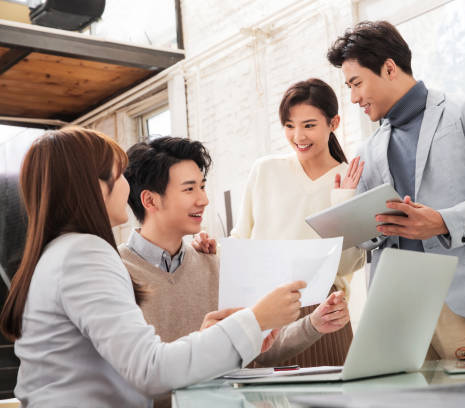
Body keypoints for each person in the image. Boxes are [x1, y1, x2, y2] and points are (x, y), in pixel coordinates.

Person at [0, 127, 305, 407]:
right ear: (92, 186)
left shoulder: (61, 251)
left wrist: (212, 337)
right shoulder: (85, 253)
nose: (126, 186)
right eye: (119, 175)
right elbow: (150, 369)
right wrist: (255, 318)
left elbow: (127, 365)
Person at [326, 21, 465, 359]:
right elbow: (368, 239)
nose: (353, 98)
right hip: (398, 314)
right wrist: (345, 208)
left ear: (389, 68)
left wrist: (442, 222)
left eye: (356, 84)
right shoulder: (366, 151)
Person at [119, 137, 350, 404]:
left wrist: (314, 324)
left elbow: (256, 350)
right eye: (189, 189)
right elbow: (134, 375)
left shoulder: (212, 262)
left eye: (202, 186)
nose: (203, 199)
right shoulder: (117, 272)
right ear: (150, 200)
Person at [195, 78, 365, 367]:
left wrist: (344, 201)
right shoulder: (265, 170)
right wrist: (213, 250)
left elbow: (349, 264)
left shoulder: (349, 179)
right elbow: (240, 239)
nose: (298, 135)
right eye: (289, 125)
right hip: (263, 310)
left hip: (323, 311)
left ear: (333, 123)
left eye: (309, 125)